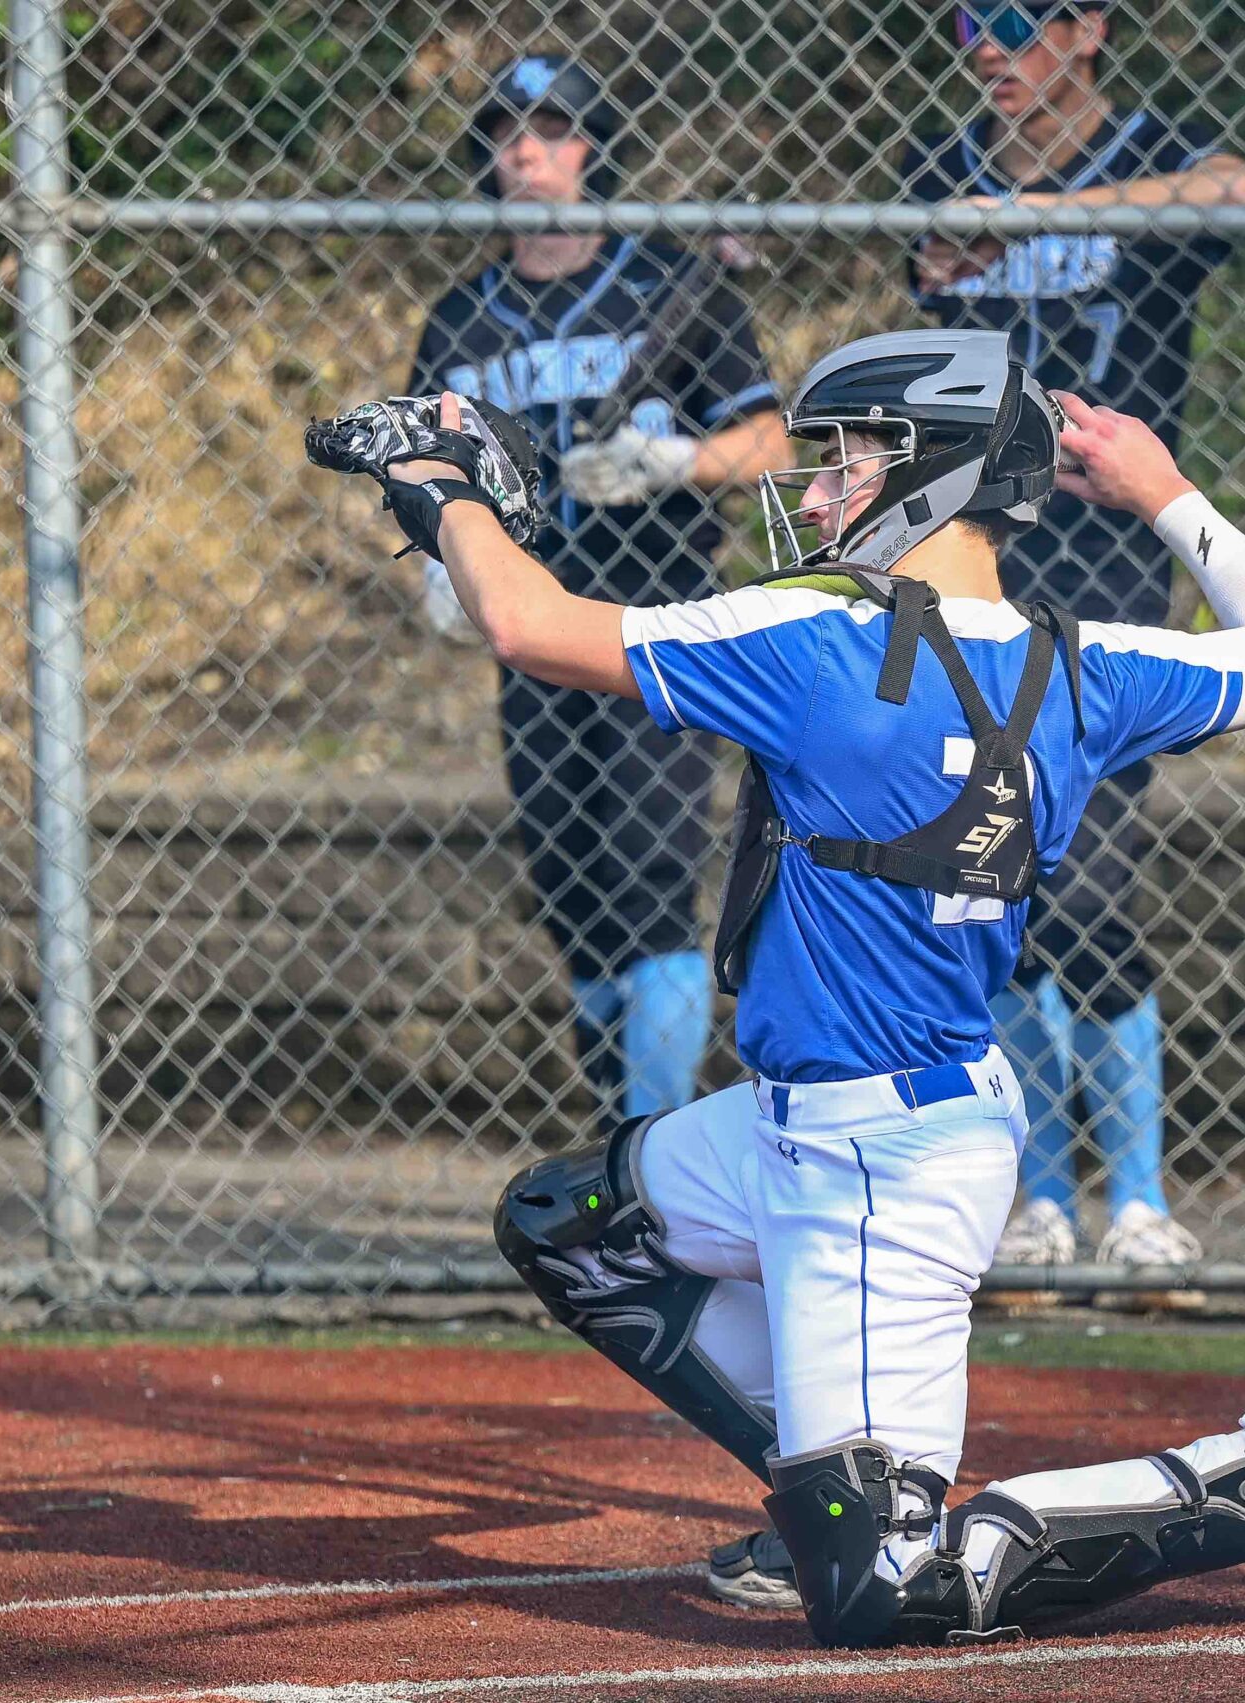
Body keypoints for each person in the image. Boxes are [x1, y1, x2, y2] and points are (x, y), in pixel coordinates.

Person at [311, 328, 1245, 1646]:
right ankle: (832, 1483)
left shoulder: (813, 641)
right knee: (570, 1222)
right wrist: (1163, 493)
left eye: (850, 463)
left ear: (938, 475)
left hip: (882, 1168)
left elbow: (527, 624)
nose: (817, 496)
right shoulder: (1080, 664)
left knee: (887, 1591)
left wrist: (440, 488)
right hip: (825, 1121)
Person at [905, 1, 1245, 1270]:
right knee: (990, 868)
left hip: (1109, 562)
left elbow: (1238, 189)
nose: (987, 48)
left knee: (1093, 875)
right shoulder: (943, 164)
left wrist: (1043, 212)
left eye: (1015, 22)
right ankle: (1042, 1194)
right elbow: (926, 292)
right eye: (968, 23)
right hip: (974, 557)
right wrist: (956, 237)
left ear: (1088, 29)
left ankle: (1141, 1199)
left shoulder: (1154, 148)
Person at [406, 54, 789, 1125]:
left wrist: (679, 462)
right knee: (571, 890)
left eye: (552, 129)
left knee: (651, 880)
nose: (525, 151)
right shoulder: (462, 317)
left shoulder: (670, 285)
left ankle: (650, 1147)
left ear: (594, 149)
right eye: (505, 132)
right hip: (533, 628)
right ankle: (624, 1125)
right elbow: (429, 462)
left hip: (656, 617)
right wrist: (440, 555)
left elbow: (771, 439)